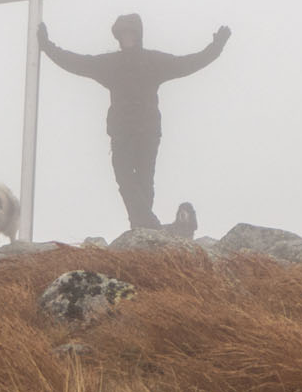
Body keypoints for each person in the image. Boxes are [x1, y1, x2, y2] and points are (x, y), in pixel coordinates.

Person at [38, 14, 230, 230]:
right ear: (118, 37)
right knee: (125, 178)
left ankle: (141, 228)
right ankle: (147, 225)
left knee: (144, 180)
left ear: (139, 35)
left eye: (130, 33)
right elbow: (76, 62)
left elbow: (188, 63)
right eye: (123, 34)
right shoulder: (110, 64)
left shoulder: (153, 61)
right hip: (122, 132)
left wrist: (216, 46)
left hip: (148, 131)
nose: (127, 37)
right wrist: (47, 46)